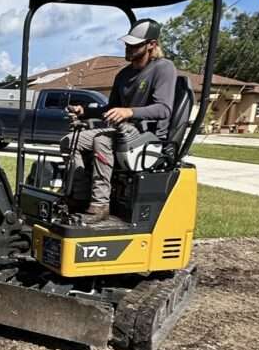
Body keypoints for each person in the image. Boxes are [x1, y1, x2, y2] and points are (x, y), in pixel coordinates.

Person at [64, 18, 177, 223]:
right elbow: (109, 108)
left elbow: (163, 109)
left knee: (102, 141)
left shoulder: (163, 68)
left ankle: (100, 205)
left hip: (147, 139)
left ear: (151, 44)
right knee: (71, 140)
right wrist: (85, 112)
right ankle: (79, 196)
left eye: (134, 44)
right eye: (127, 43)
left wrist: (129, 112)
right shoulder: (124, 74)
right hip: (121, 132)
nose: (128, 47)